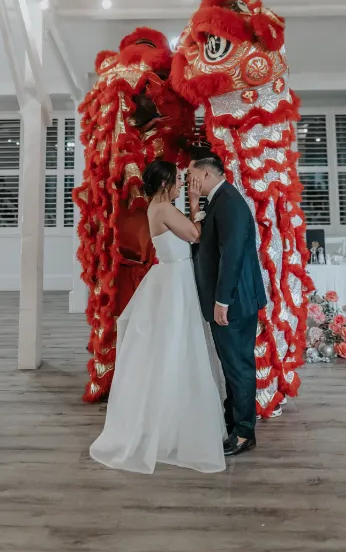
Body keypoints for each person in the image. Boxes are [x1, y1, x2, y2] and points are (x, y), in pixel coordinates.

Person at [90, 160, 226, 474]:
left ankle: (171, 423)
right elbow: (194, 234)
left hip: (172, 279)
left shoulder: (158, 207)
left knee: (172, 349)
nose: (183, 185)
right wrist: (195, 205)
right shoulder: (164, 209)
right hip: (175, 282)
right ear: (165, 184)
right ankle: (174, 428)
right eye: (179, 181)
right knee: (178, 349)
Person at [187, 149, 267, 458]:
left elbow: (231, 256)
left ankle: (244, 432)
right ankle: (235, 424)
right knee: (233, 365)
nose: (189, 181)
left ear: (206, 174)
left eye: (191, 176)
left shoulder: (230, 203)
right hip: (231, 298)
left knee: (238, 366)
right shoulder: (220, 200)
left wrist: (222, 300)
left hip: (234, 300)